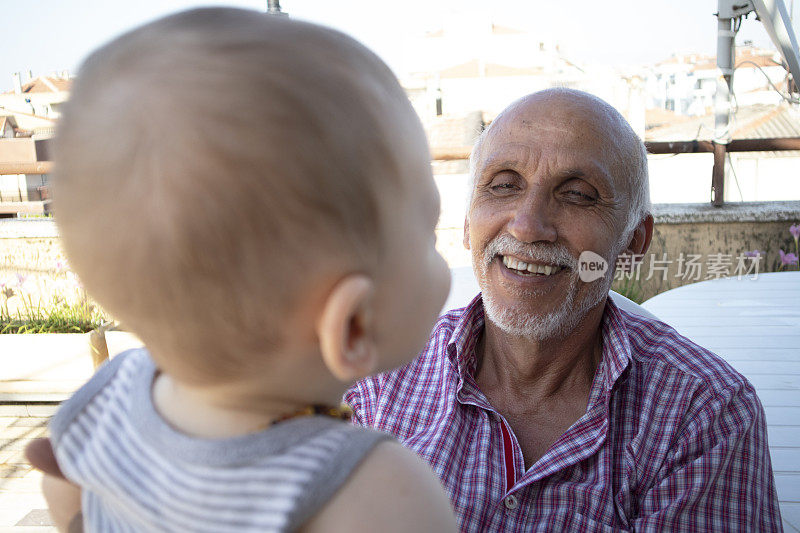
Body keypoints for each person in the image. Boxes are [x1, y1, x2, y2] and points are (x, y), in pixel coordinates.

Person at [32, 8, 457, 532]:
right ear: (353, 324)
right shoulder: (375, 491)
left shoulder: (111, 396)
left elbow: (63, 492)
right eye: (430, 234)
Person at [346, 88, 782, 531]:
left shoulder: (705, 414)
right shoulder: (378, 376)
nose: (528, 225)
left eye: (577, 194)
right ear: (466, 221)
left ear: (633, 241)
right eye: (503, 185)